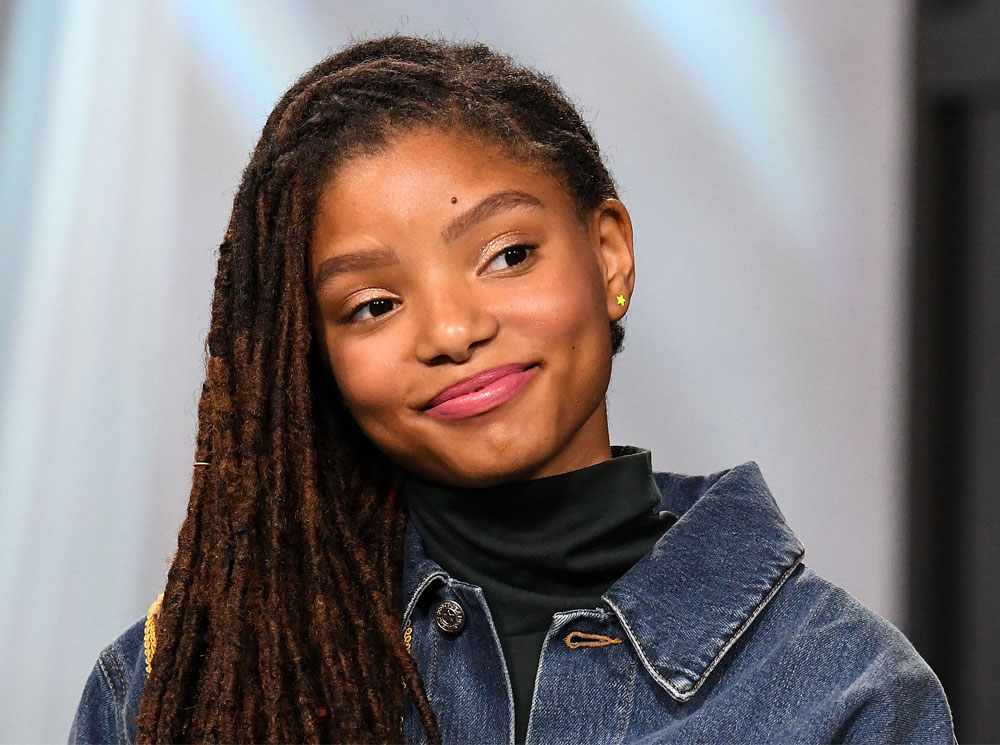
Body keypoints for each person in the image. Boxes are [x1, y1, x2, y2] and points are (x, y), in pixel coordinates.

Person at [68, 34, 955, 744]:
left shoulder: (845, 691)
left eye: (507, 255)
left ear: (610, 255)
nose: (452, 332)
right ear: (314, 355)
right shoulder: (173, 683)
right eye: (373, 305)